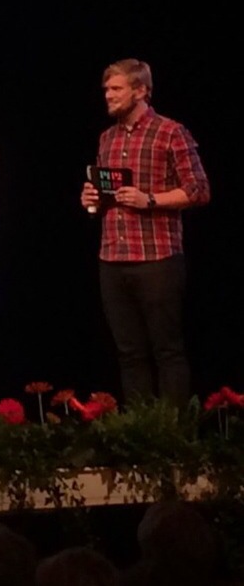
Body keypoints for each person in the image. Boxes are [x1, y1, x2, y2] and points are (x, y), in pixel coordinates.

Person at [80, 59, 210, 408]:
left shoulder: (170, 132)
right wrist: (91, 199)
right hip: (112, 258)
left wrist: (149, 199)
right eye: (106, 89)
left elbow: (199, 190)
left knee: (167, 349)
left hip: (157, 258)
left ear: (140, 91)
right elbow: (106, 194)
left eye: (116, 89)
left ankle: (172, 431)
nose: (108, 95)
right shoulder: (106, 138)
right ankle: (140, 429)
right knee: (129, 353)